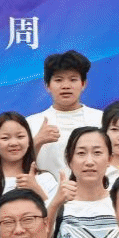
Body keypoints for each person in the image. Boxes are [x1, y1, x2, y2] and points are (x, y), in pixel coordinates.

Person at [26, 50, 103, 181]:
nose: (66, 86)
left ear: (83, 84)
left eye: (73, 80)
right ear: (47, 86)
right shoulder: (31, 123)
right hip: (45, 193)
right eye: (58, 80)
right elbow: (16, 168)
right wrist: (37, 141)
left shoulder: (101, 120)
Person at [51, 127, 119, 238]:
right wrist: (55, 204)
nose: (89, 161)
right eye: (81, 153)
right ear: (69, 160)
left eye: (97, 153)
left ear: (109, 159)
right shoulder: (57, 205)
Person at [0, 110, 58, 205]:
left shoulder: (45, 179)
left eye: (20, 137)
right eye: (5, 138)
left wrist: (37, 191)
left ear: (29, 141)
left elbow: (56, 213)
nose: (13, 143)